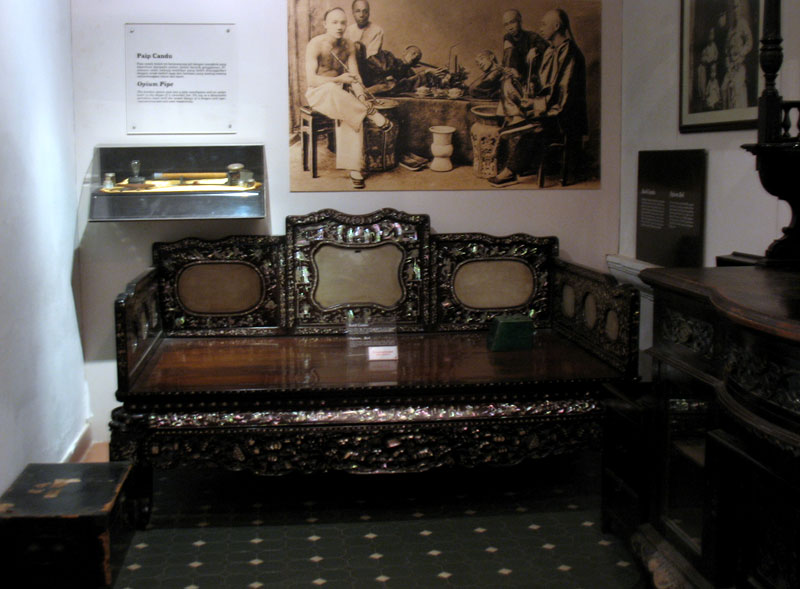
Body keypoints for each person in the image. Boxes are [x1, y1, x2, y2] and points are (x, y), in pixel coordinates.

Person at [489, 8, 588, 188]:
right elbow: (544, 85)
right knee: (520, 116)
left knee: (535, 126)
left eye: (544, 24)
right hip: (551, 107)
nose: (540, 28)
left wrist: (535, 104)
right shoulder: (552, 50)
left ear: (556, 26)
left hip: (566, 116)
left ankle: (510, 171)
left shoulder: (570, 53)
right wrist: (529, 92)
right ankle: (517, 156)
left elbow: (563, 96)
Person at [305, 7, 390, 189]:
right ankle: (369, 113)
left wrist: (361, 97)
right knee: (334, 91)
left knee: (351, 114)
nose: (339, 26)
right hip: (318, 93)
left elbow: (355, 77)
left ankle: (355, 169)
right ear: (325, 24)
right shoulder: (315, 44)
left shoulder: (348, 45)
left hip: (341, 95)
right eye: (334, 22)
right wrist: (338, 79)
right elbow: (311, 80)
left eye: (343, 22)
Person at [497, 9, 549, 124]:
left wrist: (535, 49)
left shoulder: (532, 36)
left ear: (520, 21)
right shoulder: (508, 38)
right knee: (506, 82)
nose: (510, 27)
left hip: (531, 80)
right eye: (506, 24)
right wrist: (509, 68)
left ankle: (518, 116)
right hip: (515, 78)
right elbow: (509, 56)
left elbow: (546, 47)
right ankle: (515, 116)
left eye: (512, 22)